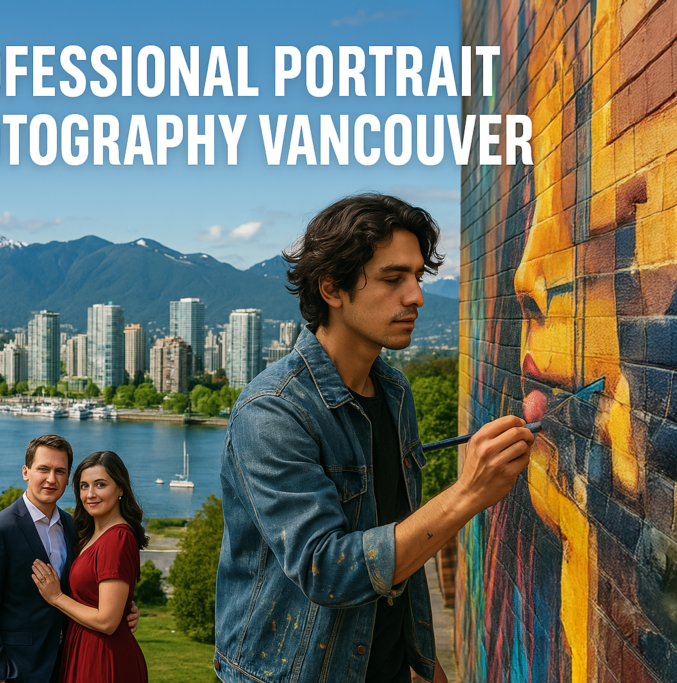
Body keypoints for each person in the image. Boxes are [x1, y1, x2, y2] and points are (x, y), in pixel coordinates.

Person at [213, 193, 536, 683]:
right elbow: (327, 570)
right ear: (332, 289)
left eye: (417, 278)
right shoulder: (272, 411)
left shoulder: (393, 391)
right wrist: (469, 494)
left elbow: (400, 536)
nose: (417, 297)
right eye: (393, 279)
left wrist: (420, 657)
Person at [0, 435, 138, 683]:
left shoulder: (75, 528)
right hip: (16, 670)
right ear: (26, 472)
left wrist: (125, 607)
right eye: (43, 469)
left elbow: (90, 582)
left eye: (60, 471)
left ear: (68, 478)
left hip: (67, 664)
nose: (51, 479)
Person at [31, 450, 149, 683]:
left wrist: (56, 597)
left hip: (104, 657)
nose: (90, 494)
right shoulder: (89, 535)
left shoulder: (117, 538)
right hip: (84, 649)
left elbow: (106, 621)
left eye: (100, 484)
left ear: (121, 489)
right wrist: (125, 604)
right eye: (84, 486)